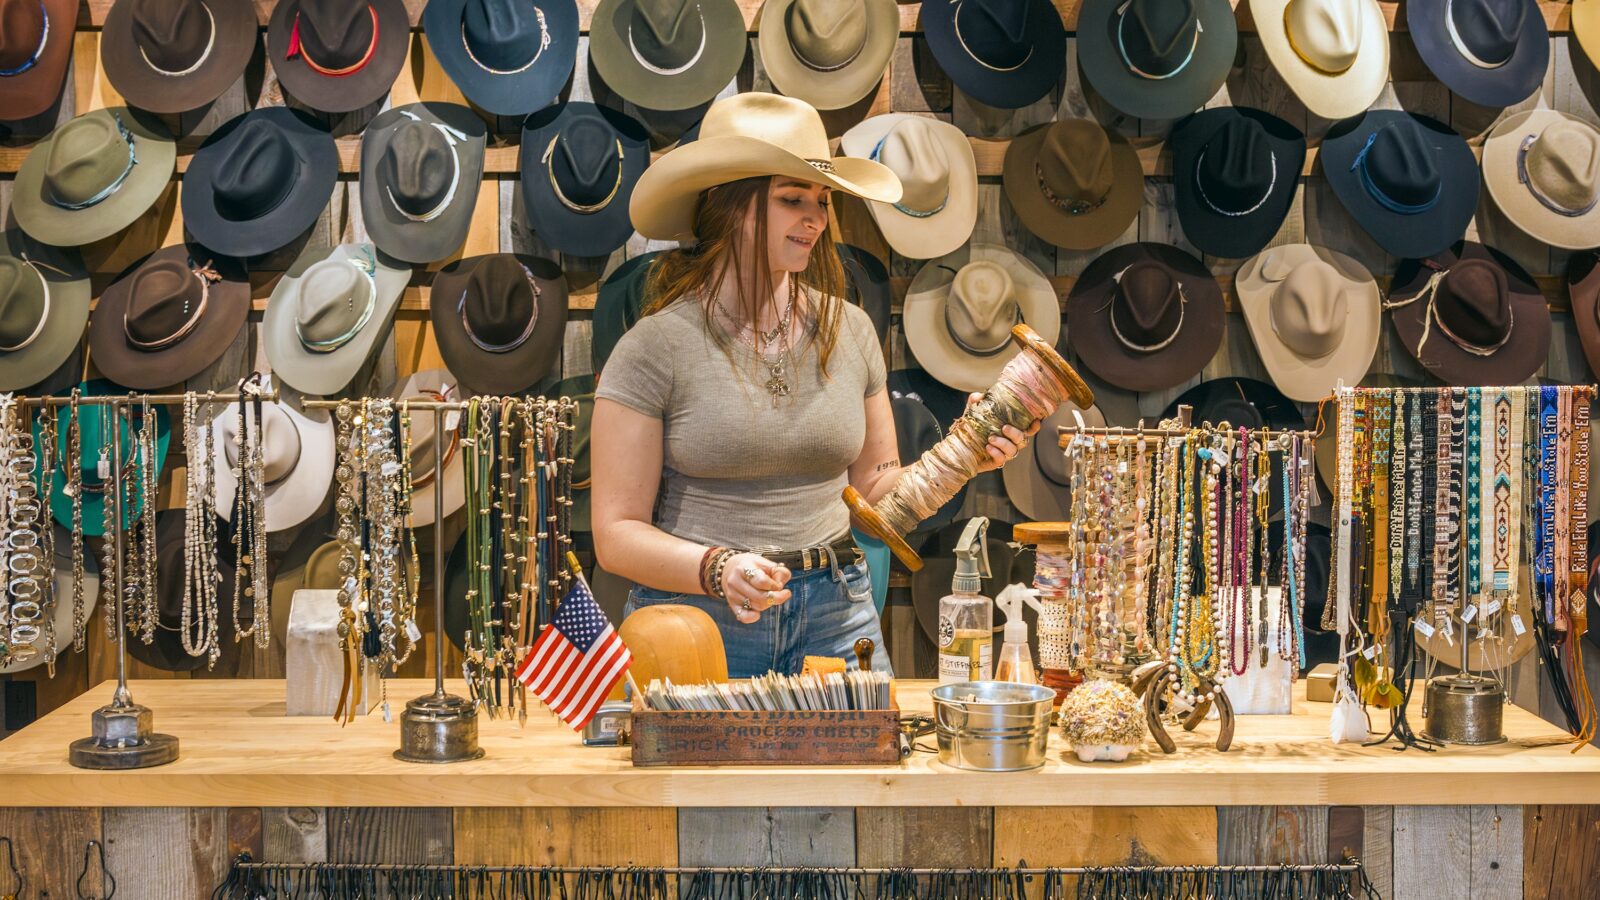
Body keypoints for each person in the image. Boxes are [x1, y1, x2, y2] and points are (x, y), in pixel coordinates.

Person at [590, 93, 1037, 677]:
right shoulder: (656, 347)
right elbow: (616, 534)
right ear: (729, 206)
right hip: (699, 623)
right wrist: (718, 568)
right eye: (792, 199)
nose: (818, 220)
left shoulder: (849, 331)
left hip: (838, 616)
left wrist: (966, 455)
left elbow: (877, 496)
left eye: (823, 201)